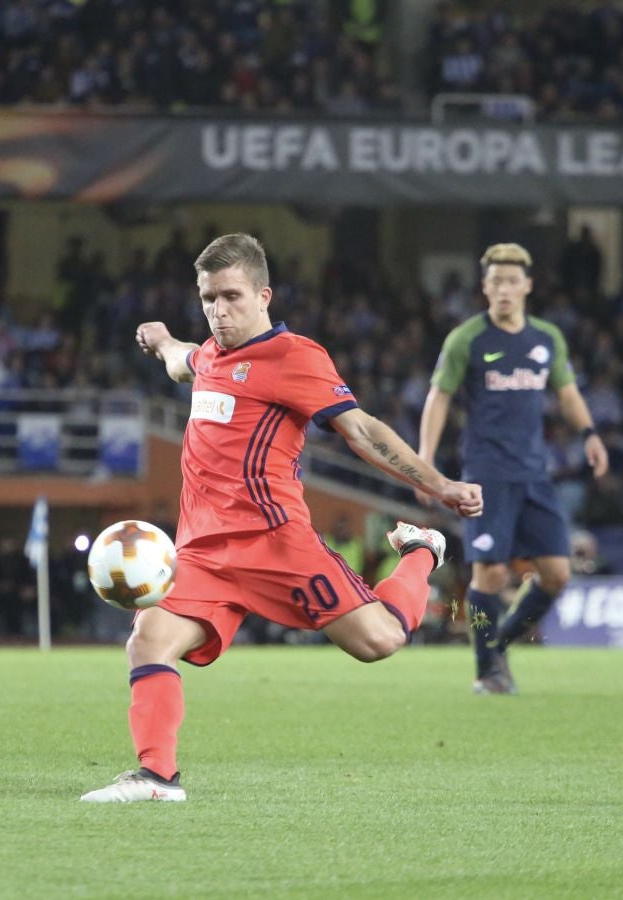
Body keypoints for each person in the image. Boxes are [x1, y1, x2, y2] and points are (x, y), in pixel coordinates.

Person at [80, 233, 482, 803]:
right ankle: (156, 778)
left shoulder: (294, 357)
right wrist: (164, 338)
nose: (219, 311)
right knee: (147, 640)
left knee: (380, 641)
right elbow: (181, 362)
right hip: (202, 553)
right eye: (208, 298)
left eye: (231, 297)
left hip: (276, 544)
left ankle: (421, 551)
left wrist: (438, 485)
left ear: (263, 295)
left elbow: (361, 431)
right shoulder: (209, 357)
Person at [415, 243, 608, 695]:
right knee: (490, 576)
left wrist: (590, 434)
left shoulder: (546, 339)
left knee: (558, 574)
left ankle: (497, 641)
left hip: (535, 474)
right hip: (487, 474)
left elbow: (567, 392)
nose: (503, 289)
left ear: (527, 286)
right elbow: (438, 396)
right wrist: (424, 457)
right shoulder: (467, 339)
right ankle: (487, 669)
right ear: (485, 288)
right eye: (495, 281)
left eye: (511, 280)